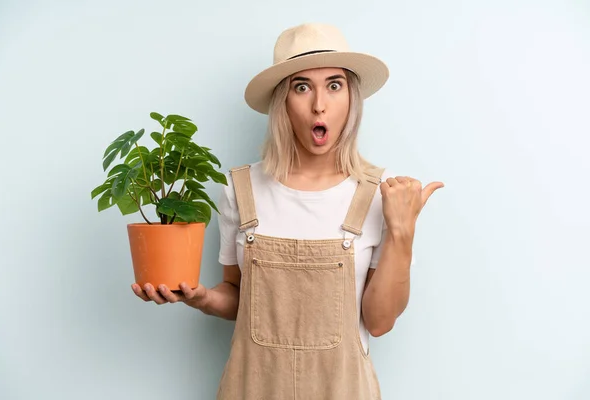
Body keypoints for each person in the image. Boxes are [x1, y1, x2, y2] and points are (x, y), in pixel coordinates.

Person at [132, 22, 444, 399]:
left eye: (334, 85)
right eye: (301, 87)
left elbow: (379, 322)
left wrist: (402, 231)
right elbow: (238, 296)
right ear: (283, 101)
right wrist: (202, 298)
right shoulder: (240, 189)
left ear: (351, 97)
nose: (319, 104)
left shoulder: (381, 193)